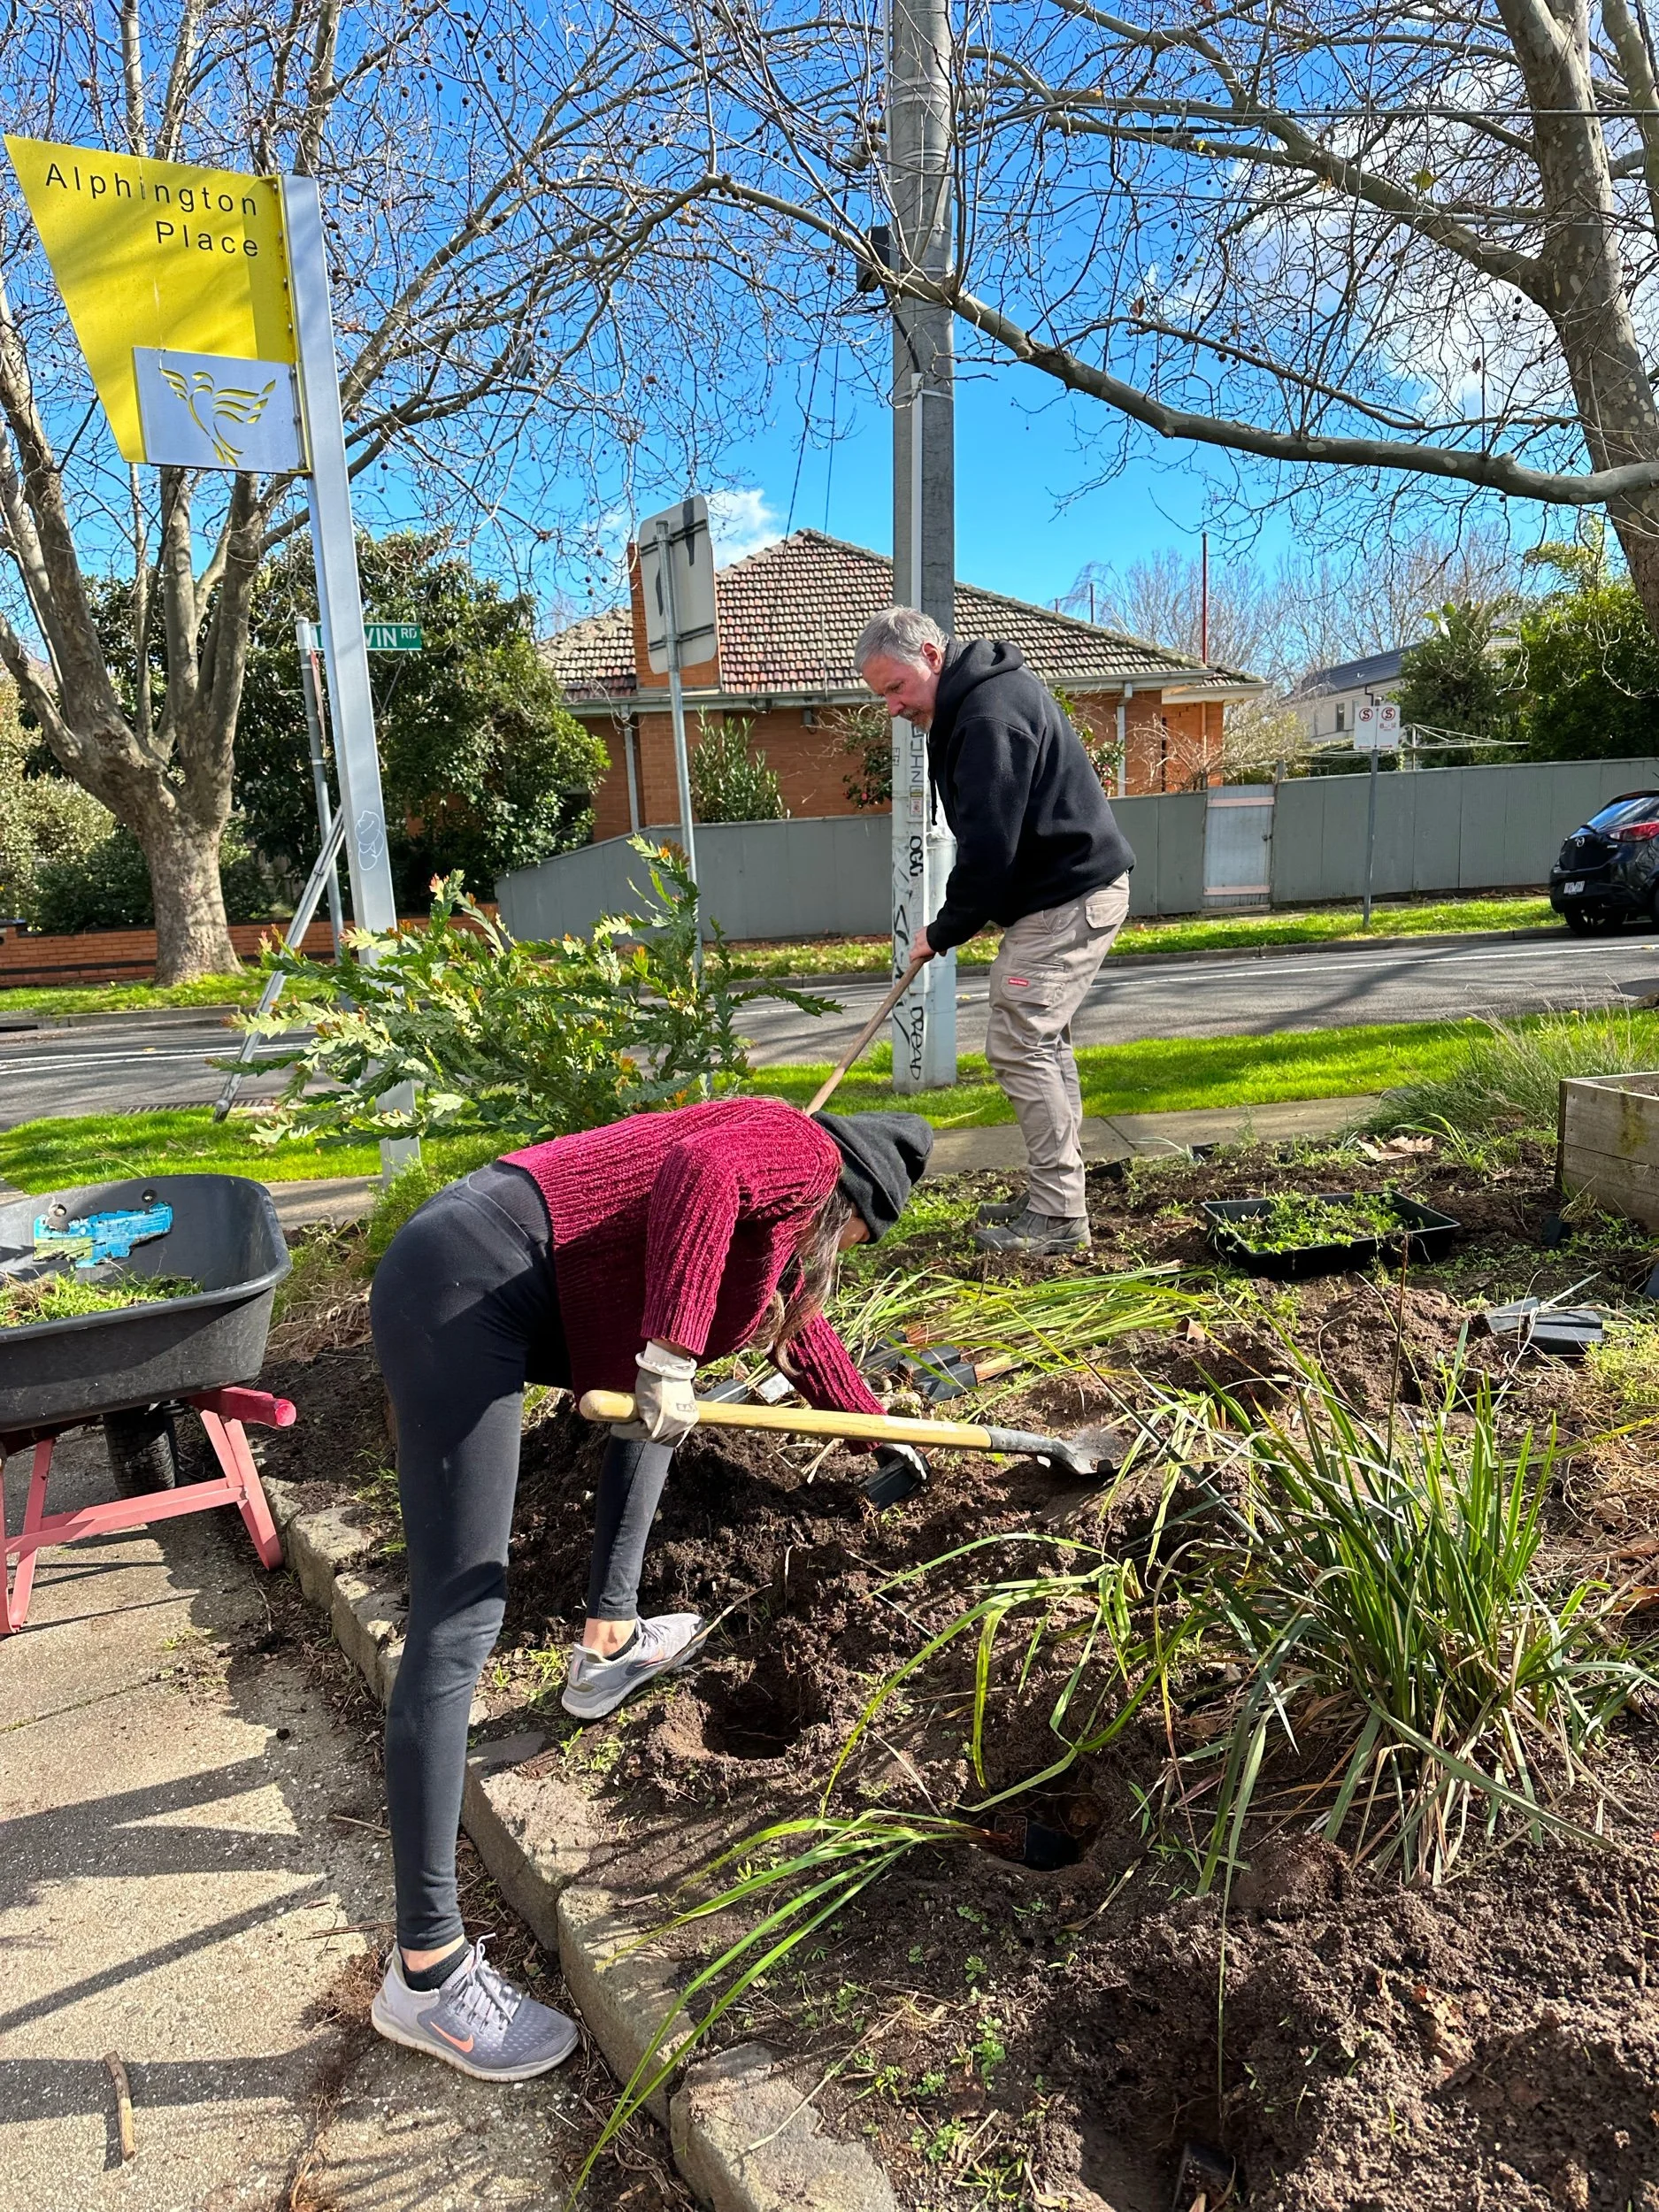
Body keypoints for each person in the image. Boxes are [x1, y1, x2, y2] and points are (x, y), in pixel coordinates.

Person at [365, 1095, 932, 2082]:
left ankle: (612, 1637)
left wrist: (882, 1434)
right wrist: (668, 1356)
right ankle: (426, 1973)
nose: (845, 1248)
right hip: (463, 1284)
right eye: (855, 1234)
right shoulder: (796, 1146)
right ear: (854, 1202)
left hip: (476, 1273)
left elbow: (800, 1334)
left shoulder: (781, 1227)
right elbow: (698, 1180)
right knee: (461, 1619)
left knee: (665, 1402)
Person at [856, 605, 1136, 1256]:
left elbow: (988, 849)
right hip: (1062, 894)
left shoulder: (986, 715)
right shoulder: (972, 702)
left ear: (930, 655)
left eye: (896, 688)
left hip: (1066, 897)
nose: (893, 707)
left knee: (1019, 1046)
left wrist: (944, 929)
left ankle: (1059, 1217)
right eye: (882, 696)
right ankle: (1054, 1195)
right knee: (1041, 1044)